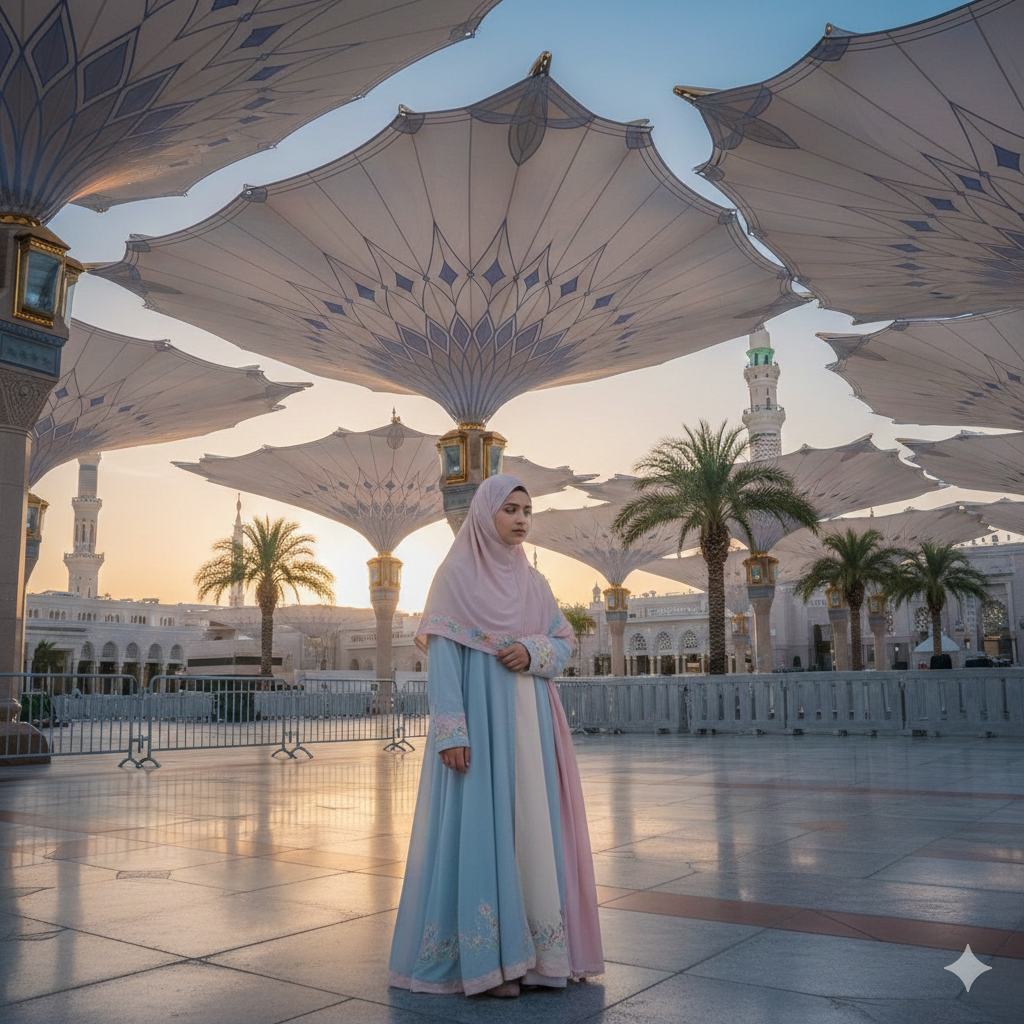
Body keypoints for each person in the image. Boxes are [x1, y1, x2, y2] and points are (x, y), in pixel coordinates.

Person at [389, 475, 604, 997]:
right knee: (482, 831)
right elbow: (442, 659)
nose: (521, 519)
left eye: (527, 510)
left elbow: (564, 641)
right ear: (486, 514)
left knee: (530, 829)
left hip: (532, 727)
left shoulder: (535, 583)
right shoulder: (455, 575)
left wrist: (533, 651)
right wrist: (450, 733)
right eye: (510, 509)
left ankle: (531, 959)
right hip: (480, 726)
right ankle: (484, 964)